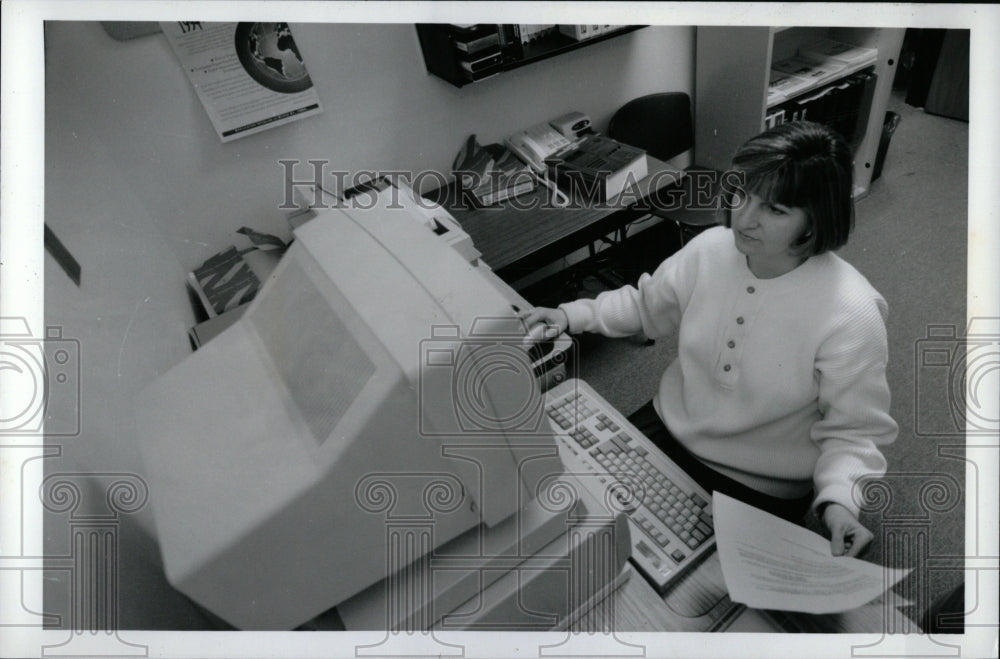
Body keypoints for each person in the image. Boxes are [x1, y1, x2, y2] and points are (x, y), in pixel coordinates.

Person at [521, 121, 897, 558]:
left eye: (775, 210)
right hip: (668, 427)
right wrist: (570, 315)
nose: (746, 218)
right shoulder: (711, 249)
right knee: (567, 519)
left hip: (758, 483)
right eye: (742, 195)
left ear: (816, 219)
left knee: (686, 600)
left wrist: (839, 503)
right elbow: (646, 307)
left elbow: (854, 433)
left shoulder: (852, 313)